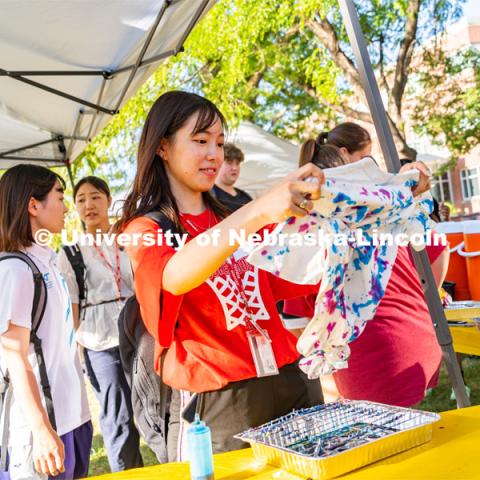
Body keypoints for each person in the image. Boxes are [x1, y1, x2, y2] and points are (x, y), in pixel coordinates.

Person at [115, 90, 325, 461]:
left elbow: (300, 274)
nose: (214, 154)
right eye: (200, 141)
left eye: (220, 142)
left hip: (291, 381)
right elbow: (174, 276)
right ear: (163, 147)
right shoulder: (147, 228)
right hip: (219, 404)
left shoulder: (237, 217)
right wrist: (258, 212)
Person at [284, 130, 449, 407]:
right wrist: (423, 296)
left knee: (391, 444)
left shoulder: (313, 233)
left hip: (371, 359)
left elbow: (296, 324)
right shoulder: (383, 211)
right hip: (420, 340)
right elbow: (439, 245)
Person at [0, 165, 91, 480]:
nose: (67, 207)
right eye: (60, 196)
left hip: (74, 417)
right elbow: (15, 356)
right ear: (33, 205)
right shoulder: (15, 269)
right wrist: (40, 428)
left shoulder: (49, 260)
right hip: (42, 429)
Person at [57, 177, 143, 472]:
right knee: (118, 417)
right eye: (80, 199)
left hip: (139, 335)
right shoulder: (70, 253)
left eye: (95, 197)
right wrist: (77, 354)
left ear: (108, 200)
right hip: (100, 344)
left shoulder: (127, 241)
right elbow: (72, 310)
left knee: (156, 409)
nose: (88, 205)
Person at [212, 143, 252, 211]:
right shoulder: (209, 195)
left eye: (237, 164)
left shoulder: (246, 197)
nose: (234, 168)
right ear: (217, 164)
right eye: (229, 163)